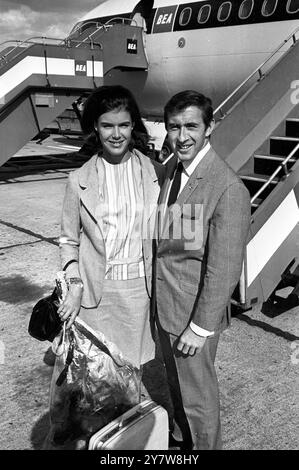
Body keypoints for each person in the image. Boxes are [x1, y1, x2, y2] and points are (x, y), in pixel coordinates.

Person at [153, 90, 251, 450]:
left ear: (209, 127)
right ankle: (182, 440)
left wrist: (200, 327)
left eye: (191, 126)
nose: (182, 136)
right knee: (176, 386)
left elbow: (224, 268)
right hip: (167, 307)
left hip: (193, 318)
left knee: (198, 398)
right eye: (174, 127)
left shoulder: (227, 188)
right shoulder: (173, 171)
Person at [57, 85, 165, 369]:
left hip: (140, 292)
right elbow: (68, 240)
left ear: (133, 126)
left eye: (124, 125)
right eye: (107, 125)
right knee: (99, 377)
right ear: (95, 126)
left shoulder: (157, 173)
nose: (116, 134)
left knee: (132, 372)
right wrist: (75, 284)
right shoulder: (78, 179)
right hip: (97, 292)